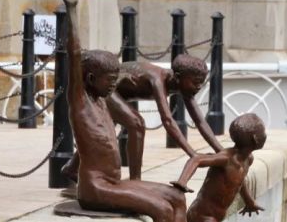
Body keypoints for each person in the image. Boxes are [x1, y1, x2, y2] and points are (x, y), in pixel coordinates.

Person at [56, 0, 203, 222]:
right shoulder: (80, 100)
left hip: (114, 182)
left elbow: (136, 121)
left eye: (115, 79)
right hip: (96, 188)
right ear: (89, 78)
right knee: (161, 210)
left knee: (176, 197)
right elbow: (74, 54)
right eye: (109, 80)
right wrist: (73, 10)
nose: (114, 85)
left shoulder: (102, 99)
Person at [61, 52, 222, 185]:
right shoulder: (157, 79)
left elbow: (200, 121)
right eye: (195, 83)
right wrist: (192, 153)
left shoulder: (185, 88)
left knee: (116, 126)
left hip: (120, 94)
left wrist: (220, 151)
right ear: (178, 77)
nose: (199, 87)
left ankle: (71, 168)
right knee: (136, 123)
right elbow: (167, 120)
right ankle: (135, 180)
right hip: (109, 87)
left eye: (201, 83)